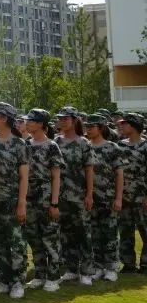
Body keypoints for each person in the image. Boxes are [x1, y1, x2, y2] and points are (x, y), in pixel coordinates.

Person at [0, 102, 29, 299]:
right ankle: (4, 280)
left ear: (4, 118)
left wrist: (21, 203)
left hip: (11, 201)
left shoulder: (19, 144)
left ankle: (18, 282)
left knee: (16, 243)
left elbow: (24, 177)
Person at [23, 109, 63, 292]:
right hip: (29, 197)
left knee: (50, 238)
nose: (28, 123)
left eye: (32, 121)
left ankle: (53, 277)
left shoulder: (52, 146)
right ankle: (39, 274)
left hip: (46, 197)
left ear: (41, 124)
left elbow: (56, 176)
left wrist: (54, 203)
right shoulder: (26, 145)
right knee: (34, 238)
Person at [55, 106, 95, 285]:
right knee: (65, 234)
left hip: (78, 195)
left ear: (74, 120)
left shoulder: (83, 143)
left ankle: (86, 270)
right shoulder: (56, 141)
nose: (62, 121)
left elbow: (89, 170)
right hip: (60, 196)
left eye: (65, 119)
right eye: (60, 119)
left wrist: (89, 194)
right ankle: (71, 269)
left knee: (83, 233)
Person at [86, 113, 124, 282]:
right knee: (93, 233)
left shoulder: (112, 148)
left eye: (91, 127)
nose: (88, 129)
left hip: (107, 197)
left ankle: (111, 267)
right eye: (86, 126)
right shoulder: (85, 146)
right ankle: (98, 265)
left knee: (109, 234)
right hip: (90, 199)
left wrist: (118, 198)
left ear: (100, 128)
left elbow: (119, 175)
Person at [118, 112, 147, 274]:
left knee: (145, 231)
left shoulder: (145, 147)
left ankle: (145, 264)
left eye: (125, 123)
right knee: (126, 232)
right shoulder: (120, 146)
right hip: (125, 197)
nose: (121, 126)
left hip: (142, 197)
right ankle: (128, 264)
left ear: (134, 126)